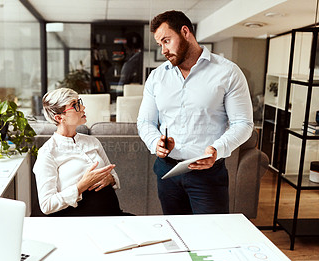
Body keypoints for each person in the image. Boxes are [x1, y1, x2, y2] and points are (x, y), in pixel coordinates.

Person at [137, 10, 254, 215]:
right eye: (160, 44)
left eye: (167, 40)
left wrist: (217, 149)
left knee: (211, 237)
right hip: (167, 172)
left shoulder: (228, 72)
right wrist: (156, 143)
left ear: (185, 32)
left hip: (207, 175)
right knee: (177, 234)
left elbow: (243, 124)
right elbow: (145, 122)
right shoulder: (156, 77)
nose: (163, 50)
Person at [33, 88, 124, 216]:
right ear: (59, 117)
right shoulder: (48, 153)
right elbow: (47, 205)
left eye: (79, 102)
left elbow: (114, 177)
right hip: (79, 220)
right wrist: (81, 186)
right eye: (75, 105)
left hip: (112, 214)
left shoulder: (93, 141)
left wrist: (110, 179)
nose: (82, 107)